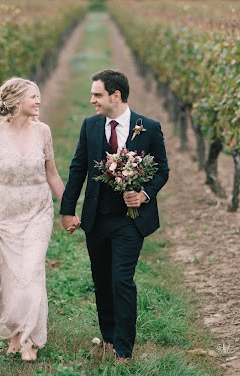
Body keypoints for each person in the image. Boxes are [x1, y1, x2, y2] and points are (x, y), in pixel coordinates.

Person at [60, 69, 169, 362]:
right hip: (97, 219)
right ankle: (108, 337)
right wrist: (68, 211)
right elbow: (77, 169)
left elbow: (163, 171)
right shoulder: (90, 126)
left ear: (115, 96)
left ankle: (124, 348)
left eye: (97, 94)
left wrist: (143, 194)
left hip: (130, 221)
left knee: (122, 280)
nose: (92, 100)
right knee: (102, 280)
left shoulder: (149, 127)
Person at [0, 77, 65, 362]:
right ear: (17, 101)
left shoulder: (43, 131)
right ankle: (15, 332)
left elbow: (52, 174)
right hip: (5, 213)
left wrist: (68, 208)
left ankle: (28, 340)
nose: (39, 101)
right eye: (33, 97)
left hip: (38, 210)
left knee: (30, 271)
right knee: (11, 276)